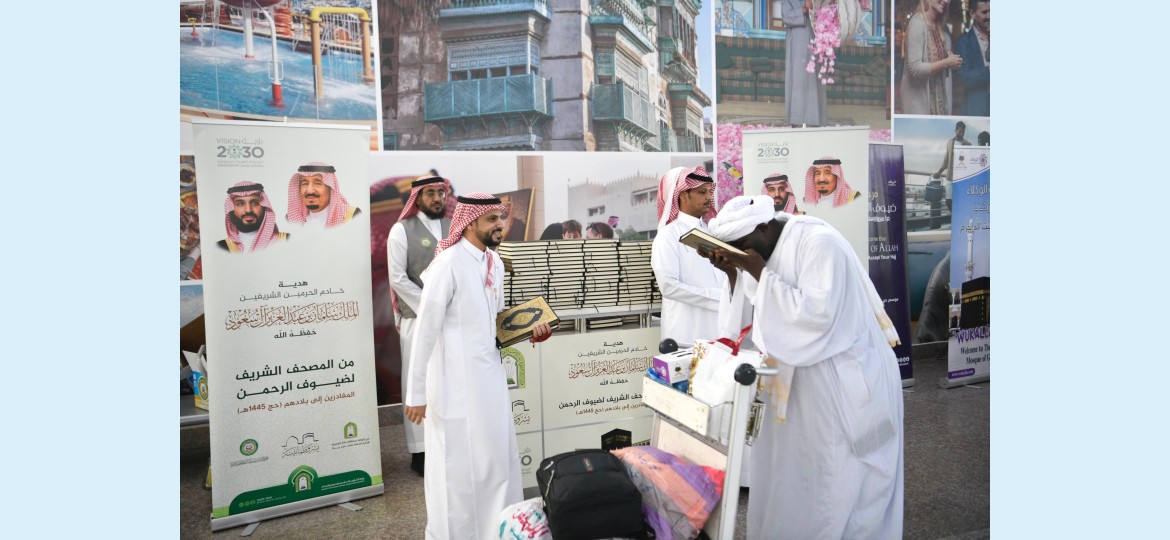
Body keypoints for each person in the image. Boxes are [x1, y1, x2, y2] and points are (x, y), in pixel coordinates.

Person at [698, 195, 904, 540]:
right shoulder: (763, 248)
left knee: (836, 478)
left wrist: (757, 271)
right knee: (792, 473)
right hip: (793, 380)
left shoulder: (819, 243)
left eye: (742, 248)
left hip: (842, 378)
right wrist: (735, 272)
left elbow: (816, 318)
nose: (743, 255)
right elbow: (755, 315)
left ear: (764, 228)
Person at [404, 192, 551, 540]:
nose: (501, 224)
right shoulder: (447, 265)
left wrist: (531, 331)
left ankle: (499, 531)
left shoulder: (494, 262)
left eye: (501, 217)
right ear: (470, 223)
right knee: (457, 470)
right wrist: (416, 393)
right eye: (492, 219)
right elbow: (424, 332)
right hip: (454, 385)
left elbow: (494, 323)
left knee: (497, 462)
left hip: (491, 380)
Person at [386, 174, 452, 476]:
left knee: (447, 381)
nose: (437, 198)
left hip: (451, 320)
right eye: (430, 193)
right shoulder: (401, 230)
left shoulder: (454, 227)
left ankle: (447, 446)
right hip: (418, 319)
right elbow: (398, 278)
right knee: (418, 382)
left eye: (441, 192)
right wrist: (431, 307)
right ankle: (421, 452)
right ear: (417, 198)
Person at [650, 166, 725, 346]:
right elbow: (668, 286)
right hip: (687, 332)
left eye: (710, 192)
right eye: (702, 192)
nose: (709, 197)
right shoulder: (668, 235)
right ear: (683, 195)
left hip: (720, 330)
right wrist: (718, 298)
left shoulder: (712, 232)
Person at [900, 0, 961, 115]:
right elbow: (914, 68)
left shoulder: (939, 25)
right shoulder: (917, 23)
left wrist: (948, 55)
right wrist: (946, 62)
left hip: (938, 106)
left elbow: (933, 55)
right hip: (919, 108)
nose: (946, 1)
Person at [783, 0, 827, 126]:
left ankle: (815, 119)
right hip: (798, 38)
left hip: (816, 36)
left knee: (815, 77)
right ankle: (796, 119)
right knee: (798, 77)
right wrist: (804, 9)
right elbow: (786, 16)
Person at [216, 181, 289, 253]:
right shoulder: (222, 247)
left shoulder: (284, 240)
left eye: (255, 203)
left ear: (264, 206)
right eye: (240, 204)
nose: (248, 210)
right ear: (231, 209)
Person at [286, 162, 362, 228]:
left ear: (330, 189)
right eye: (305, 183)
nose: (310, 190)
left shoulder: (351, 216)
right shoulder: (290, 220)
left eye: (318, 183)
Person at [930, 121, 971, 227]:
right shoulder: (950, 142)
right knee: (948, 201)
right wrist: (939, 172)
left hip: (962, 178)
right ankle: (958, 217)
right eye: (960, 131)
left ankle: (959, 221)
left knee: (960, 201)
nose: (961, 133)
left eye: (963, 132)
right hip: (950, 176)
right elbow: (946, 159)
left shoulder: (968, 144)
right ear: (956, 130)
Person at [956, 0, 990, 116]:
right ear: (972, 13)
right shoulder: (964, 42)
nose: (989, 16)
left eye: (991, 11)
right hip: (977, 111)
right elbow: (966, 78)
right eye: (984, 12)